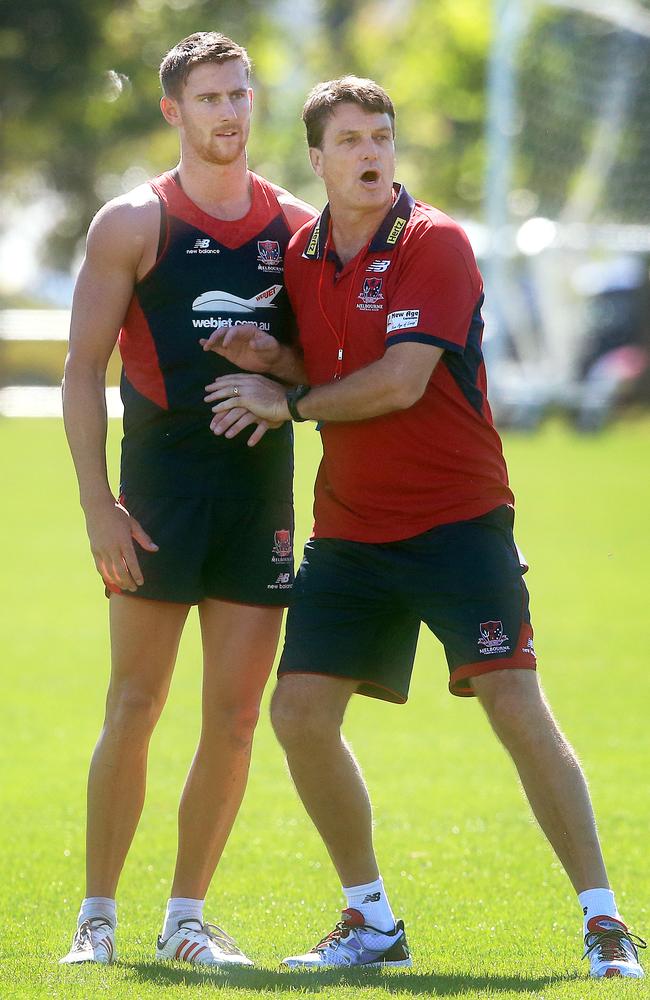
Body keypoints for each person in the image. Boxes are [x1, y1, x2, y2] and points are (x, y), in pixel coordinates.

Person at [202, 77, 646, 978]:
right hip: (354, 530)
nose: (371, 154)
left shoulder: (435, 242)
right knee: (299, 713)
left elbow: (400, 380)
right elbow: (330, 362)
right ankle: (371, 921)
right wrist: (270, 355)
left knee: (514, 706)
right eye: (351, 141)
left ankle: (605, 924)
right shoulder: (302, 251)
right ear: (318, 160)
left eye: (383, 137)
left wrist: (286, 399)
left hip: (457, 521)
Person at [60, 32, 316, 968]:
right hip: (158, 495)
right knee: (134, 702)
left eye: (240, 95)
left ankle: (186, 920)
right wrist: (98, 506)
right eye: (209, 97)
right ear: (173, 110)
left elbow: (317, 370)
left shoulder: (295, 226)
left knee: (238, 717)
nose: (229, 112)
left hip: (259, 497)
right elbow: (83, 371)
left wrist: (271, 366)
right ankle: (97, 916)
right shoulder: (132, 223)